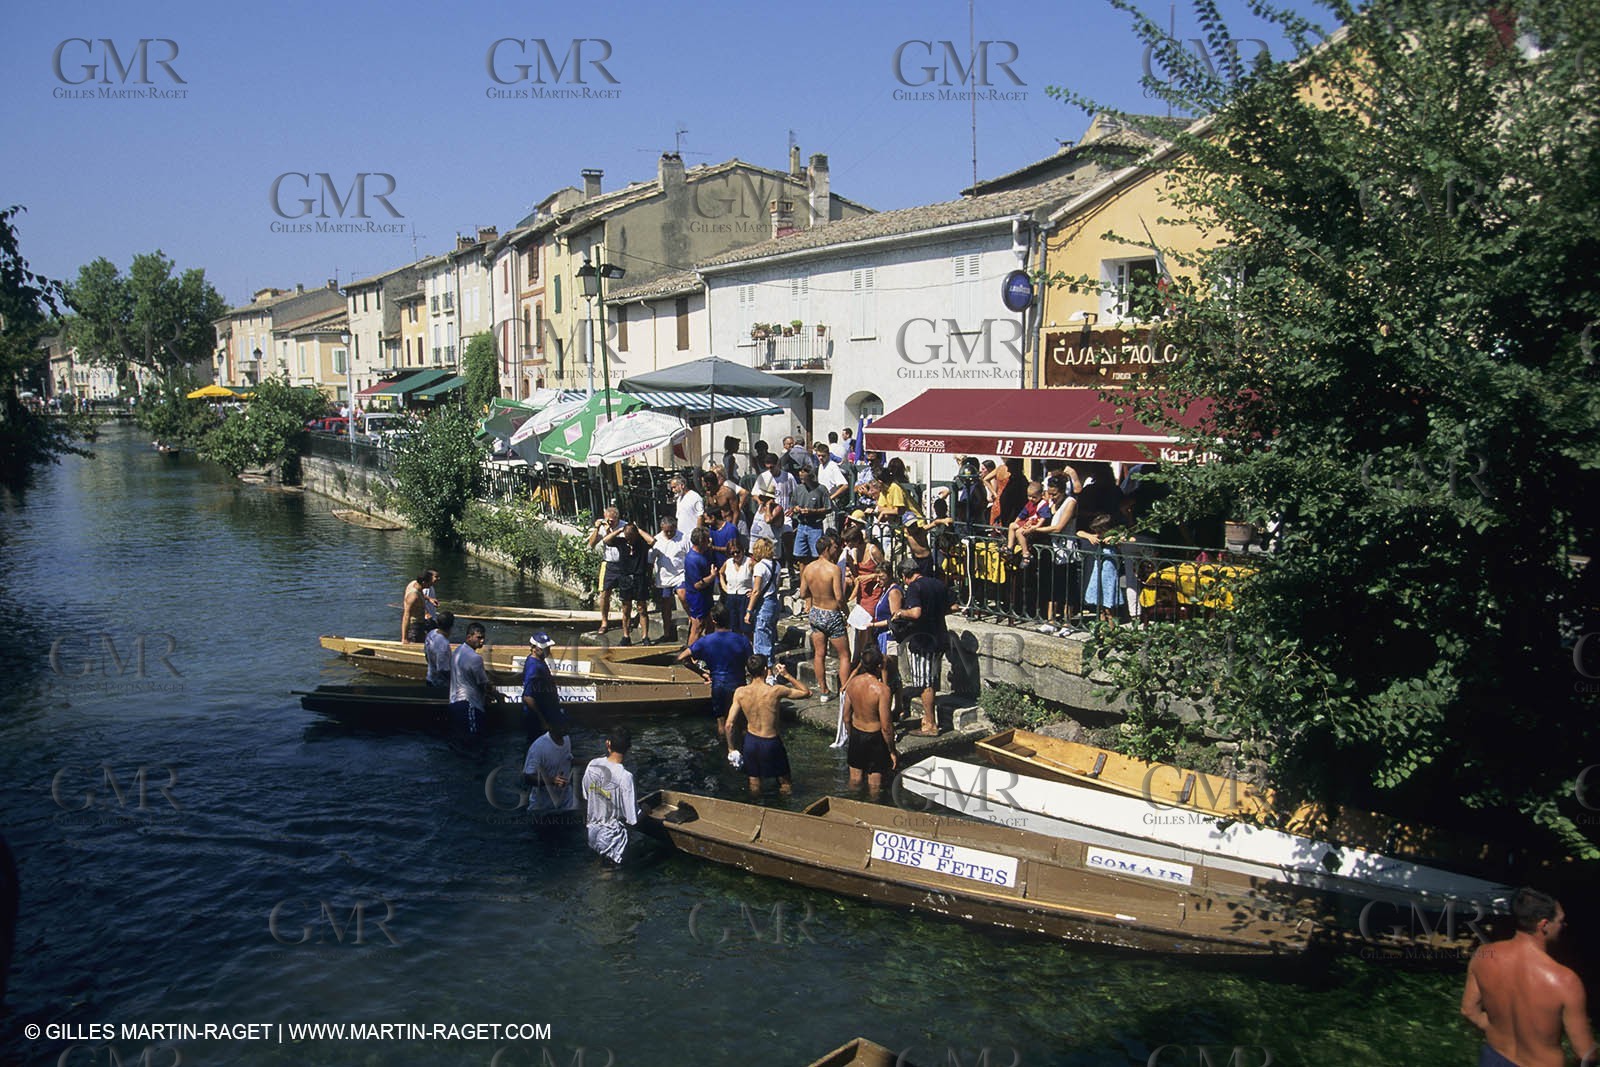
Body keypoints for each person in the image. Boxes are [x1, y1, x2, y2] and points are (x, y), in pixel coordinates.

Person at [1461, 887, 1595, 1067]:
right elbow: (1584, 1053)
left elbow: (1469, 1011)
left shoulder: (1484, 954)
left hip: (1494, 1058)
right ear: (1543, 925)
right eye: (1561, 921)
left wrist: (1494, 1029)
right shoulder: (1565, 980)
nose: (1564, 926)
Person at [726, 654, 810, 794]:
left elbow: (729, 725)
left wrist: (731, 748)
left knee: (754, 781)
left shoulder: (740, 692)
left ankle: (755, 810)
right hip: (771, 742)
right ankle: (785, 810)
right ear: (765, 670)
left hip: (751, 741)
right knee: (785, 781)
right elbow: (806, 692)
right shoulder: (775, 691)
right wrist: (787, 675)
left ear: (748, 672)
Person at [892, 556, 952, 736]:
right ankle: (928, 719)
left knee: (925, 683)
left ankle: (930, 725)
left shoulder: (914, 588)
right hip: (940, 635)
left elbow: (916, 613)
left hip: (923, 641)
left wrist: (901, 613)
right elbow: (954, 606)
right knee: (932, 679)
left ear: (905, 574)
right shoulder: (938, 584)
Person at [678, 604, 753, 738]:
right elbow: (752, 664)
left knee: (722, 723)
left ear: (713, 620)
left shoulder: (705, 641)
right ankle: (744, 750)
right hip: (738, 685)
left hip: (718, 685)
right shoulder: (742, 640)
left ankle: (725, 750)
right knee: (742, 722)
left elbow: (682, 658)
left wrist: (702, 673)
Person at [802, 533, 852, 699]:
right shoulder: (834, 569)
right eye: (833, 547)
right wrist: (847, 613)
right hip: (831, 614)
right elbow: (839, 597)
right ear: (826, 549)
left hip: (816, 612)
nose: (835, 550)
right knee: (844, 655)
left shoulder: (808, 568)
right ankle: (844, 691)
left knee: (819, 653)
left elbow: (803, 593)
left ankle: (823, 691)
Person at [843, 646, 897, 794]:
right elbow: (886, 726)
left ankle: (851, 806)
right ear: (879, 666)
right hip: (875, 737)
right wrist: (892, 750)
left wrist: (850, 735)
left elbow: (846, 716)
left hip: (856, 733)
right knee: (875, 783)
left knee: (855, 779)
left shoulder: (852, 683)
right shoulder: (882, 690)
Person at [581, 726, 637, 864]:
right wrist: (646, 810)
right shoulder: (625, 776)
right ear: (629, 748)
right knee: (610, 876)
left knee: (598, 865)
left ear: (608, 744)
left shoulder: (593, 764)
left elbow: (586, 795)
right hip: (611, 836)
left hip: (592, 831)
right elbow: (632, 819)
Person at [639, 514, 688, 645]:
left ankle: (692, 620)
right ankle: (667, 633)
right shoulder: (657, 540)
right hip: (664, 578)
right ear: (662, 528)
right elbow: (651, 561)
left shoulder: (683, 537)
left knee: (683, 595)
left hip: (680, 574)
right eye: (667, 531)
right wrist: (649, 578)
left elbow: (689, 555)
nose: (670, 533)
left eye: (672, 530)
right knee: (666, 605)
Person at [522, 707, 575, 819]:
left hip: (566, 800)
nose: (566, 727)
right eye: (562, 724)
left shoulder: (566, 739)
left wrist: (591, 761)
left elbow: (567, 759)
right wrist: (551, 780)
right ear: (550, 726)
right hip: (542, 807)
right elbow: (527, 777)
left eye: (567, 723)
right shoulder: (538, 747)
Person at [448, 622, 492, 736]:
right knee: (474, 740)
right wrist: (497, 696)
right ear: (469, 637)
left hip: (454, 702)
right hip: (469, 705)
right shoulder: (475, 658)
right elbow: (484, 685)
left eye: (483, 638)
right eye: (479, 638)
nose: (482, 641)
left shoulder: (457, 651)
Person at [612, 519, 651, 645]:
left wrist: (638, 530)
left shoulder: (642, 543)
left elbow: (652, 541)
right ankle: (626, 636)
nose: (629, 540)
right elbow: (606, 540)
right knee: (626, 609)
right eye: (627, 537)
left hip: (639, 578)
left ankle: (645, 636)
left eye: (631, 537)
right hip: (625, 578)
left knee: (642, 608)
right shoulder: (622, 542)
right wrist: (619, 530)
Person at [789, 465, 830, 587]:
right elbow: (793, 505)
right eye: (800, 475)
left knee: (817, 557)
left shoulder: (821, 489)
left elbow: (828, 508)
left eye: (804, 475)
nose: (801, 477)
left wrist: (813, 511)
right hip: (802, 526)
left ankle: (816, 585)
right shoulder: (798, 489)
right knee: (801, 558)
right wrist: (796, 509)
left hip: (815, 527)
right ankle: (803, 586)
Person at [520, 631, 562, 744]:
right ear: (534, 648)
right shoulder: (533, 668)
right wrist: (543, 721)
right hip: (539, 718)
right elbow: (528, 697)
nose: (547, 650)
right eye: (544, 648)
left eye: (548, 647)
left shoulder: (537, 660)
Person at [587, 506, 624, 635]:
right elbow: (591, 544)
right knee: (604, 594)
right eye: (608, 520)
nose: (610, 523)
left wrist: (610, 531)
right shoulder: (602, 528)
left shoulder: (623, 527)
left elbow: (613, 541)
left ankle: (627, 620)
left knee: (626, 594)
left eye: (612, 521)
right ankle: (604, 621)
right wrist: (597, 528)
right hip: (608, 563)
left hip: (622, 563)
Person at [747, 537, 783, 659]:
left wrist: (749, 611)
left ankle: (766, 672)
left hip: (764, 604)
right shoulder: (776, 564)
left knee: (762, 638)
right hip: (773, 601)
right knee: (770, 635)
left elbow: (756, 590)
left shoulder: (759, 566)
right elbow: (776, 585)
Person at [681, 527, 716, 647]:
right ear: (701, 542)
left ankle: (708, 650)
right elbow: (698, 584)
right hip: (697, 597)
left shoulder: (704, 553)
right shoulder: (692, 560)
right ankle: (690, 656)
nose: (709, 542)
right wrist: (712, 576)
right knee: (697, 627)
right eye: (707, 540)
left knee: (710, 624)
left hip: (706, 596)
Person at [719, 538, 755, 638]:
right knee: (733, 628)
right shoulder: (728, 563)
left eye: (737, 552)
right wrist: (724, 587)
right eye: (732, 553)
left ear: (742, 550)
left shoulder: (749, 562)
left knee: (747, 628)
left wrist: (754, 590)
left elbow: (758, 577)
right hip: (731, 597)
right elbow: (721, 573)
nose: (735, 555)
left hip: (745, 597)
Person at [813, 441, 850, 526]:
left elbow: (844, 485)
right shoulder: (820, 466)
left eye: (823, 456)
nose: (821, 458)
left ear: (828, 455)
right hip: (822, 503)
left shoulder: (832, 466)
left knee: (829, 530)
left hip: (830, 504)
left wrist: (831, 497)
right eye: (819, 456)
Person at [401, 569, 438, 643]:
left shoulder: (415, 583)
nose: (431, 585)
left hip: (421, 623)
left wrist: (429, 599)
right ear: (424, 582)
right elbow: (406, 616)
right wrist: (404, 638)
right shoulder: (413, 596)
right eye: (430, 583)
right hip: (414, 627)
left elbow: (420, 593)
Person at [424, 610, 455, 688]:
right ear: (451, 626)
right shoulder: (443, 645)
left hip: (430, 678)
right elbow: (443, 670)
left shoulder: (431, 633)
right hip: (439, 685)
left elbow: (426, 655)